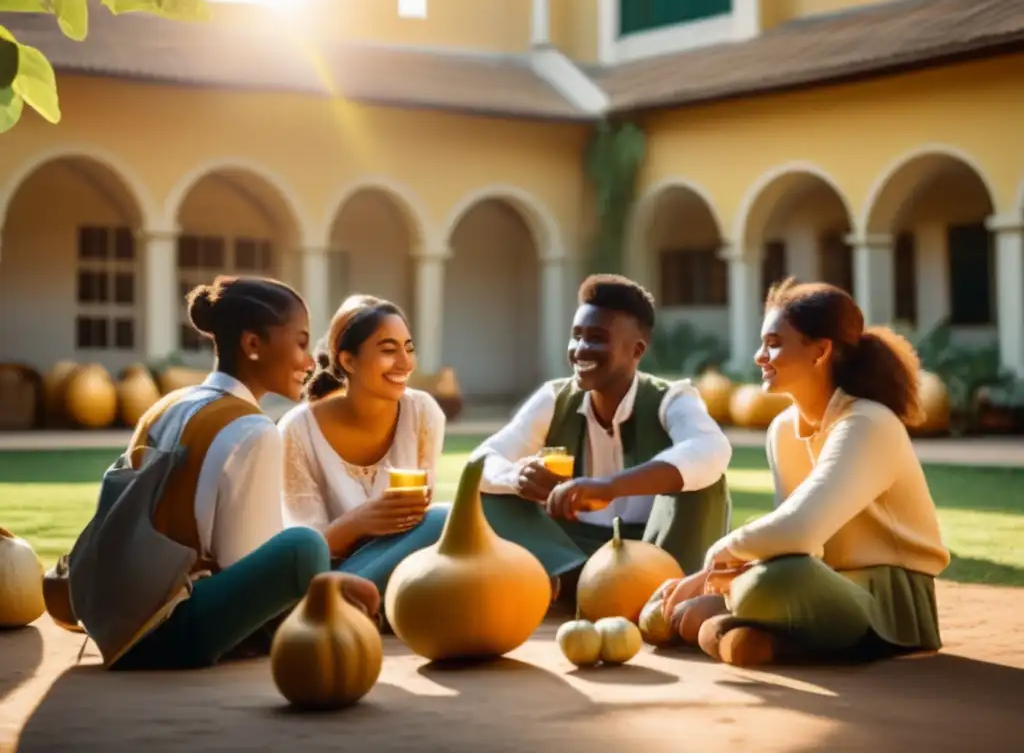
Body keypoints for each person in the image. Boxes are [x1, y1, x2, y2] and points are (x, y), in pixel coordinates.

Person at [656, 277, 951, 668]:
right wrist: (724, 576)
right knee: (730, 592)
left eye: (774, 343)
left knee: (769, 583)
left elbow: (799, 530)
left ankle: (762, 633)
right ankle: (767, 640)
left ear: (820, 351)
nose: (760, 356)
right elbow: (792, 545)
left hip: (890, 606)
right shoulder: (782, 430)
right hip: (821, 583)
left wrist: (715, 561)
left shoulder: (869, 422)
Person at [109, 275, 375, 670]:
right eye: (301, 343)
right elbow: (244, 566)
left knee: (313, 556)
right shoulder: (255, 431)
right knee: (306, 547)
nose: (309, 362)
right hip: (173, 629)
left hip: (117, 617)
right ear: (252, 345)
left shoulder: (171, 404)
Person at [472, 274, 734, 602]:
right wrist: (516, 476)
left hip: (653, 557)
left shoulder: (672, 399)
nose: (580, 350)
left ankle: (666, 597)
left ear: (636, 350)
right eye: (576, 336)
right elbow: (481, 461)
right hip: (573, 552)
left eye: (596, 338)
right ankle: (564, 583)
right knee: (491, 492)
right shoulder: (555, 398)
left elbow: (711, 449)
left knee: (704, 482)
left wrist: (611, 486)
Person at [277, 294, 449, 599]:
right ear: (348, 360)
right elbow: (306, 549)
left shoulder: (423, 413)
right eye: (388, 350)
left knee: (441, 518)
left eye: (408, 349)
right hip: (324, 574)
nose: (405, 362)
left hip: (402, 566)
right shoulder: (297, 430)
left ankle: (349, 604)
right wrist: (357, 523)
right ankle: (338, 601)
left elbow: (417, 525)